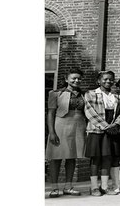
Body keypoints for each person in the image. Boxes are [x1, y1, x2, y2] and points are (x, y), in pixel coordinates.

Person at [46, 69, 87, 198]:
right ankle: (54, 188)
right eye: (73, 78)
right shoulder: (55, 94)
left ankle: (68, 187)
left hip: (78, 126)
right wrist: (51, 132)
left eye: (79, 78)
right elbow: (51, 113)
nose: (77, 80)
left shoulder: (84, 95)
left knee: (72, 157)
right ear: (66, 79)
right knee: (56, 157)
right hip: (60, 126)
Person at [84, 71, 120, 196]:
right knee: (95, 158)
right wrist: (105, 126)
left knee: (107, 157)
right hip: (96, 129)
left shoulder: (117, 96)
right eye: (105, 79)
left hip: (111, 129)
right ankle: (94, 187)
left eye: (111, 79)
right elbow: (89, 111)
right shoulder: (90, 94)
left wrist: (115, 124)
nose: (108, 81)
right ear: (99, 81)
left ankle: (105, 186)